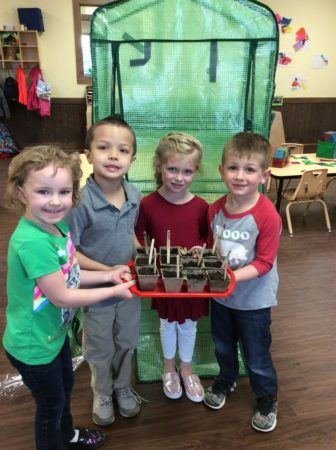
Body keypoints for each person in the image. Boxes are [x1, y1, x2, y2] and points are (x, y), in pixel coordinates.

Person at [3, 145, 136, 450]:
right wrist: (115, 291)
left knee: (64, 389)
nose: (55, 201)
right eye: (43, 192)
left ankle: (68, 436)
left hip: (54, 335)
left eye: (64, 192)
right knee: (50, 407)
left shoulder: (57, 227)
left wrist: (108, 275)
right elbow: (62, 296)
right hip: (33, 345)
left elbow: (71, 274)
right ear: (21, 193)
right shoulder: (32, 242)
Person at [66, 115, 142, 427]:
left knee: (126, 340)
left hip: (128, 287)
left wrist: (141, 255)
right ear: (87, 155)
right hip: (96, 290)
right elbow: (72, 254)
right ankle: (102, 391)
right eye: (104, 147)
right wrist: (108, 271)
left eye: (122, 150)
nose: (113, 155)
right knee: (99, 345)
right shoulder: (79, 203)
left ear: (132, 159)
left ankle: (123, 385)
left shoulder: (135, 195)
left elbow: (129, 233)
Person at [204, 132, 281, 433]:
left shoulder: (268, 216)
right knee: (223, 346)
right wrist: (205, 257)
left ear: (264, 176)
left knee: (257, 354)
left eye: (249, 170)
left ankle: (267, 397)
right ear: (221, 171)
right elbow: (215, 249)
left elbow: (264, 262)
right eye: (233, 168)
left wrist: (231, 277)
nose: (240, 176)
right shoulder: (215, 209)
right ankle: (226, 379)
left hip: (254, 301)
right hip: (222, 298)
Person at [135, 132, 208, 403]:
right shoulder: (147, 204)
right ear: (159, 167)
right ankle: (169, 367)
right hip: (164, 280)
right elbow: (138, 235)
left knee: (189, 325)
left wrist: (200, 247)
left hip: (191, 280)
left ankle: (186, 368)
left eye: (187, 171)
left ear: (195, 171)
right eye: (172, 169)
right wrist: (143, 255)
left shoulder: (201, 207)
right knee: (166, 324)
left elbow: (205, 239)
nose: (179, 177)